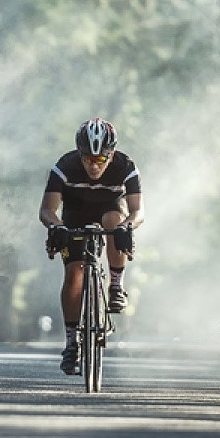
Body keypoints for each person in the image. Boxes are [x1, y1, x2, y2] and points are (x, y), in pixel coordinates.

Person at [40, 117, 143, 375]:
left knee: (116, 222)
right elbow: (47, 210)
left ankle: (116, 284)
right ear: (79, 153)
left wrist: (128, 227)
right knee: (75, 271)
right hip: (75, 214)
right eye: (87, 159)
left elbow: (138, 211)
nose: (93, 165)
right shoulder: (65, 166)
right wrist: (57, 226)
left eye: (100, 160)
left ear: (111, 155)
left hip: (111, 211)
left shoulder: (126, 166)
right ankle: (72, 341)